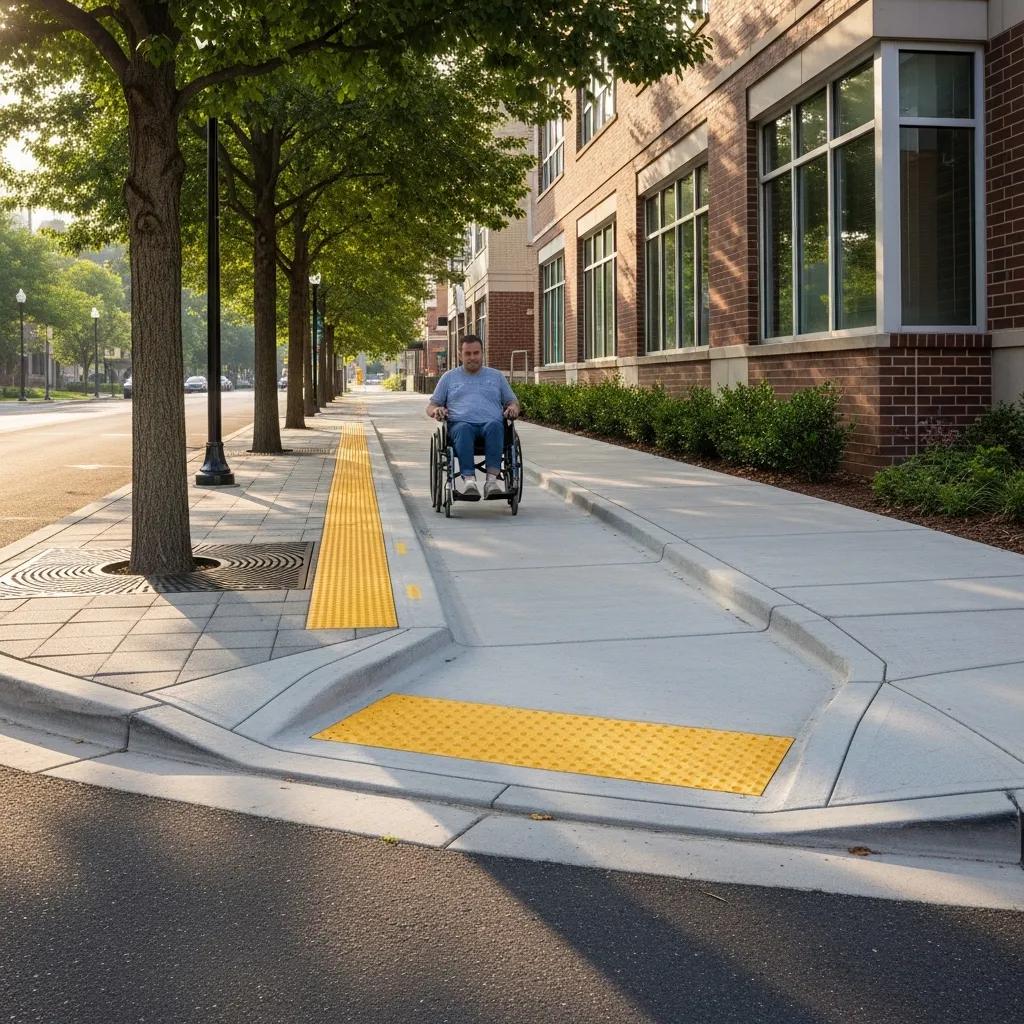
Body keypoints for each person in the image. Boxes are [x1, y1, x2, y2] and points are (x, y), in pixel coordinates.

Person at [426, 334, 520, 499]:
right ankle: (469, 481)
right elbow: (431, 405)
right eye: (468, 354)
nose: (472, 357)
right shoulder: (448, 377)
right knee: (464, 428)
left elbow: (512, 401)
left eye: (476, 353)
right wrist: (436, 411)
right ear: (460, 355)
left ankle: (491, 481)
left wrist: (512, 407)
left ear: (482, 353)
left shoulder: (496, 376)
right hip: (460, 426)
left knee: (495, 426)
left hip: (491, 425)